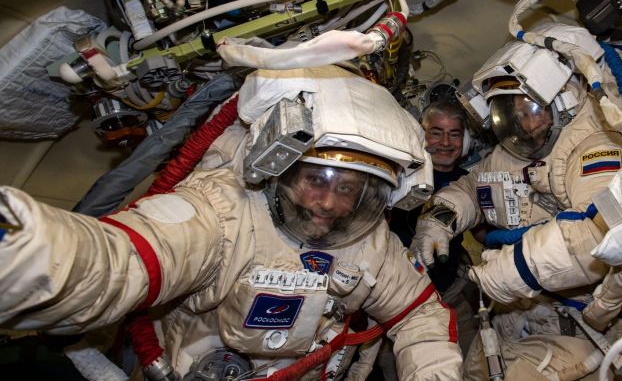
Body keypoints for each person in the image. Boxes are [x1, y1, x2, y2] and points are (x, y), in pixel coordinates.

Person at [0, 66, 462, 381]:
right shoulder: (220, 212)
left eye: (347, 190)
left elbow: (419, 314)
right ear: (276, 167)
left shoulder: (370, 245)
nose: (326, 203)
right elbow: (117, 262)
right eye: (313, 180)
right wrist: (28, 254)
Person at [412, 22, 622, 379]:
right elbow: (471, 189)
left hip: (586, 322)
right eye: (508, 112)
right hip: (514, 315)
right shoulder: (508, 153)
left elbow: (599, 234)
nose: (520, 123)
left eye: (528, 109)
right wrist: (438, 220)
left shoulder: (593, 146)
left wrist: (511, 269)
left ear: (560, 100)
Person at [373, 100, 478, 380]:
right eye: (436, 132)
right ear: (420, 137)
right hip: (396, 306)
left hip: (451, 297)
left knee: (467, 369)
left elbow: (485, 233)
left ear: (464, 141)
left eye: (454, 133)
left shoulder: (468, 182)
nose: (445, 142)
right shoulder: (394, 177)